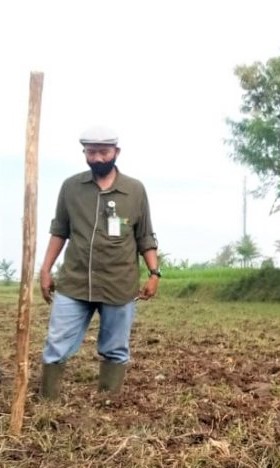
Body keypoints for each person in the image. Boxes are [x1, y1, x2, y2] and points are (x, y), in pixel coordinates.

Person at [38, 126, 161, 400]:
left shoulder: (134, 190)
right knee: (56, 342)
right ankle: (48, 401)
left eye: (103, 152)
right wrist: (45, 269)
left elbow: (145, 236)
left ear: (116, 153)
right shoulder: (71, 187)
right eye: (91, 152)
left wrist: (155, 273)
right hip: (75, 281)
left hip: (119, 283)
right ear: (85, 153)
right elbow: (59, 230)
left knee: (115, 347)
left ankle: (108, 401)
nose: (97, 158)